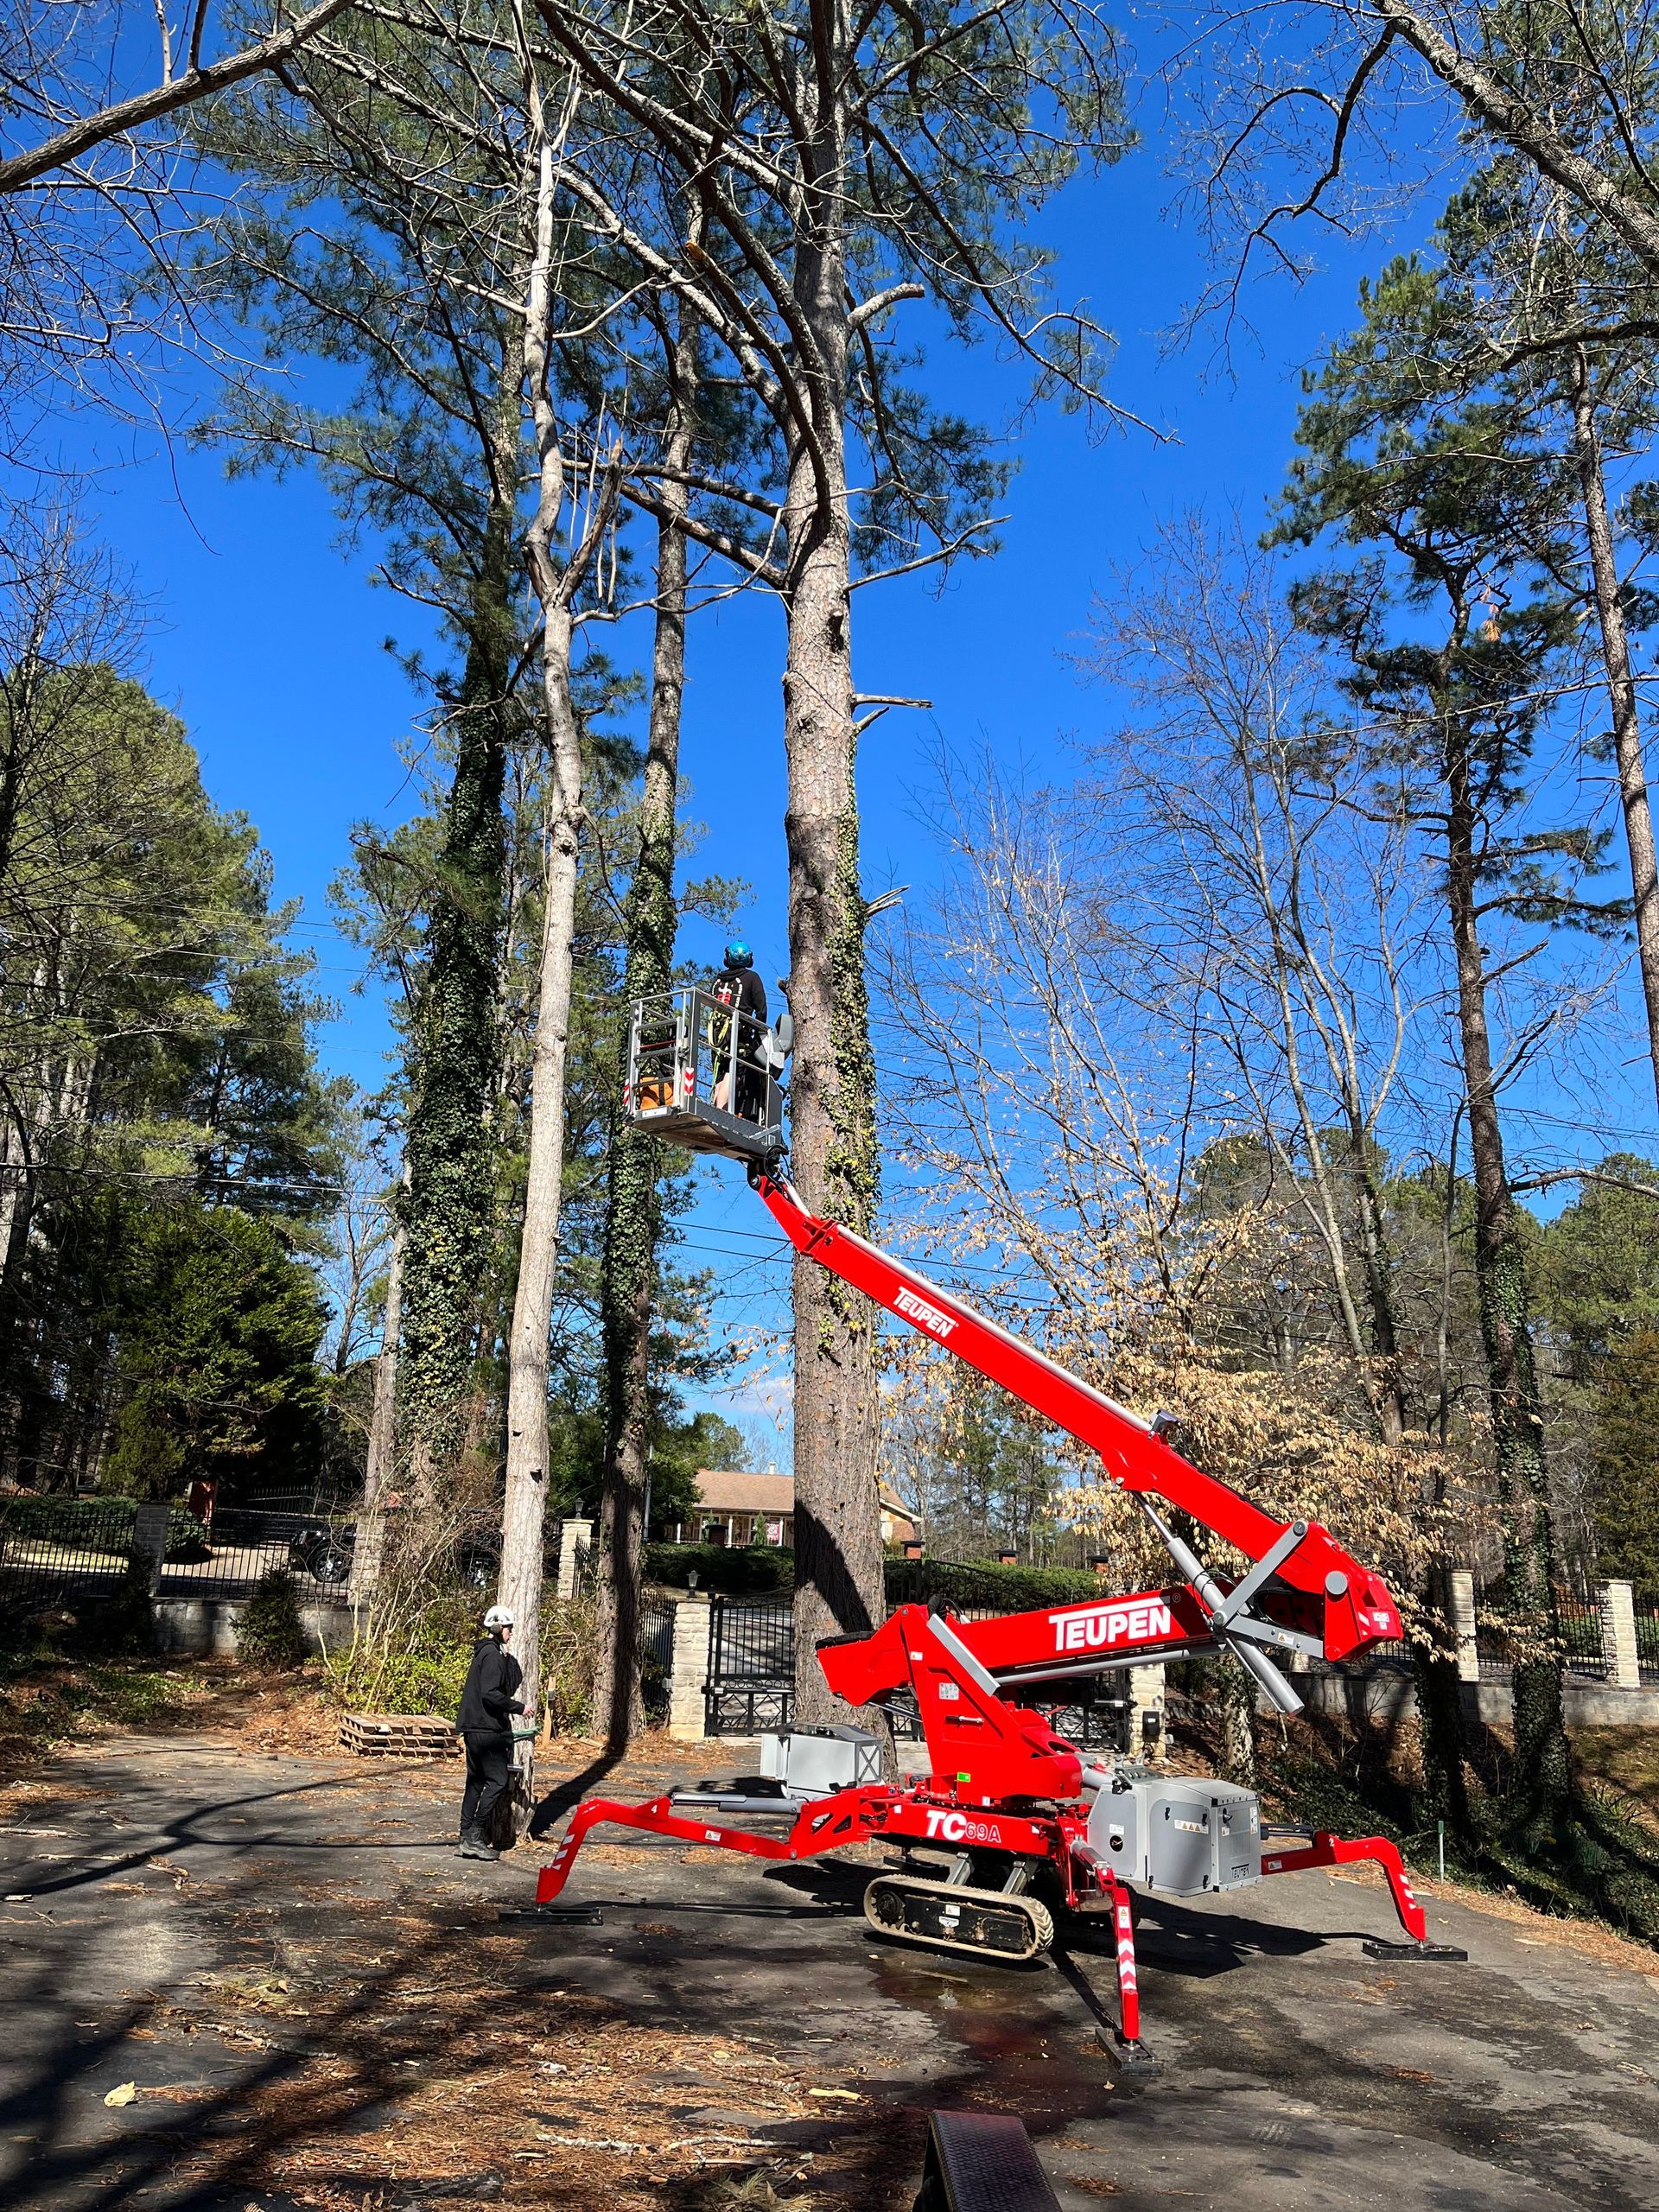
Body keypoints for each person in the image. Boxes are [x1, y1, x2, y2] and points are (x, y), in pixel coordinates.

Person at [455, 1603, 531, 1860]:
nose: (511, 1632)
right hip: (487, 1729)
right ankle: (475, 1834)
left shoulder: (484, 1653)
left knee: (475, 1782)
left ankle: (464, 1837)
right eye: (508, 1627)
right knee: (497, 1781)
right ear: (498, 1627)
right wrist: (520, 1708)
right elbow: (491, 1694)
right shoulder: (492, 1657)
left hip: (472, 1727)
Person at [709, 941, 767, 1120]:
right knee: (732, 1072)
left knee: (721, 1074)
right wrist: (759, 1034)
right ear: (749, 959)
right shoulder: (752, 978)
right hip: (739, 1036)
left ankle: (718, 1106)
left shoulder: (718, 981)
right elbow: (762, 1010)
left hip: (717, 1036)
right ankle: (720, 1110)